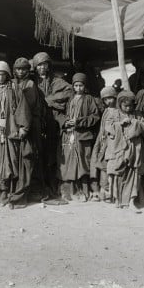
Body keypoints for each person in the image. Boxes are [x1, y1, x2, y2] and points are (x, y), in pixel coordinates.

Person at [0, 61, 31, 207]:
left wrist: (23, 127)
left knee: (10, 163)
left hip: (11, 131)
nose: (0, 77)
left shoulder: (15, 88)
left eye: (3, 74)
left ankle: (7, 193)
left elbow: (22, 107)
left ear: (7, 74)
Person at [33, 52, 72, 199]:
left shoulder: (57, 81)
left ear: (49, 66)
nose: (42, 68)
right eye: (39, 65)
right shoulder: (33, 82)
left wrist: (49, 100)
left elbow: (69, 92)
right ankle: (42, 188)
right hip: (38, 122)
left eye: (44, 64)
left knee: (53, 156)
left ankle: (54, 187)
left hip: (54, 122)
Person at [56, 73, 99, 203]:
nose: (78, 88)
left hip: (83, 136)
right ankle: (70, 191)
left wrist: (79, 122)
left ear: (85, 86)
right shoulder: (70, 99)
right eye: (76, 85)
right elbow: (60, 114)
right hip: (70, 136)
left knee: (82, 163)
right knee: (70, 163)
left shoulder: (89, 99)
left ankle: (84, 191)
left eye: (81, 85)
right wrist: (66, 121)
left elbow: (95, 117)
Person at [104, 90, 144, 211]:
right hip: (119, 151)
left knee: (134, 175)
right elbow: (108, 128)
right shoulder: (113, 114)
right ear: (119, 104)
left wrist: (135, 123)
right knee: (118, 174)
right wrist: (120, 124)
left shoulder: (138, 115)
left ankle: (131, 200)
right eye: (125, 106)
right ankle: (117, 199)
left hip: (135, 151)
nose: (128, 108)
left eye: (130, 106)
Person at [13, 57, 43, 201]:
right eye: (18, 69)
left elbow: (27, 107)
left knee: (28, 157)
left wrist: (24, 125)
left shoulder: (30, 84)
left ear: (28, 70)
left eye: (24, 69)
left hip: (29, 125)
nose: (20, 71)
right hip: (15, 125)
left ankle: (29, 190)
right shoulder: (12, 83)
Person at [90, 86, 117, 202]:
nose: (108, 101)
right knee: (100, 165)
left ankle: (109, 192)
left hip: (112, 142)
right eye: (105, 99)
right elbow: (102, 127)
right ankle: (102, 191)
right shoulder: (106, 111)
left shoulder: (117, 111)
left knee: (108, 166)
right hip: (102, 141)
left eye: (110, 98)